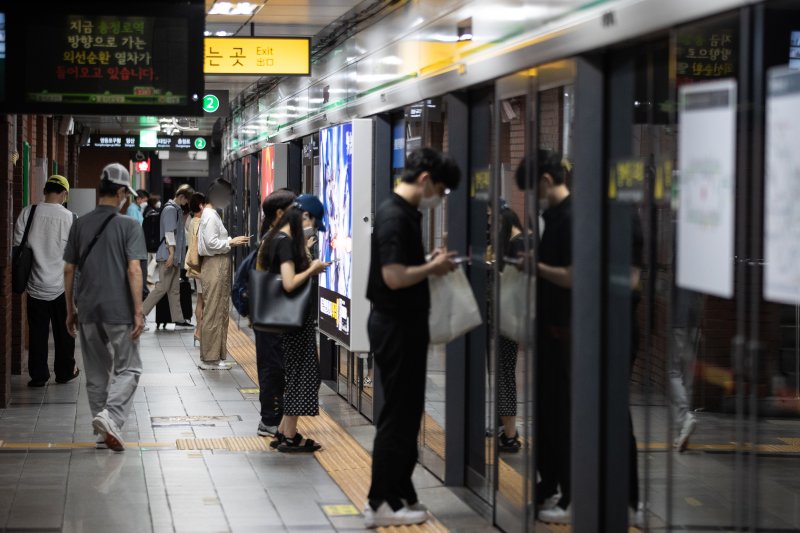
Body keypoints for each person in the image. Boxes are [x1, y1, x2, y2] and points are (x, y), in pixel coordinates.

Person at [363, 147, 460, 528]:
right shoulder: (394, 216)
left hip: (401, 325)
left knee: (405, 413)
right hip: (395, 326)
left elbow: (403, 269)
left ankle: (399, 492)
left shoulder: (401, 214)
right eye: (440, 189)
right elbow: (393, 277)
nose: (439, 197)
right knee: (397, 416)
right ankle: (380, 501)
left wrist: (427, 264)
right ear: (424, 180)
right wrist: (432, 267)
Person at [63, 163, 147, 452]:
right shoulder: (129, 225)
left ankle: (102, 432)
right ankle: (110, 417)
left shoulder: (79, 223)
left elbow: (68, 270)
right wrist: (138, 311)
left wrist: (69, 309)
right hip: (119, 311)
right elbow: (134, 270)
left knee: (96, 374)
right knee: (130, 368)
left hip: (87, 309)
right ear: (122, 192)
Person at [258, 195, 329, 452]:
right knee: (304, 376)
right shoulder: (285, 242)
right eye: (311, 223)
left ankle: (284, 431)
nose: (311, 229)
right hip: (294, 323)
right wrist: (313, 269)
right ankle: (289, 435)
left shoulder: (276, 237)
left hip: (288, 321)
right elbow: (289, 282)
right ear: (304, 216)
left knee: (300, 375)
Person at [534, 151, 574, 524]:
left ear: (546, 181)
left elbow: (572, 275)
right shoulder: (552, 217)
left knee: (563, 415)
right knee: (548, 413)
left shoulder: (571, 218)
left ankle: (571, 494)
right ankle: (549, 484)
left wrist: (535, 266)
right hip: (549, 331)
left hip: (565, 332)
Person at [13, 175, 78, 387]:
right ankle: (64, 372)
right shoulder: (71, 218)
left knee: (38, 333)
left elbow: (17, 246)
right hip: (62, 287)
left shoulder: (28, 212)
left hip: (35, 285)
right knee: (65, 332)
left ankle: (39, 375)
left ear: (45, 190)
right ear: (64, 193)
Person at [254, 189, 297, 437]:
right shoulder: (277, 240)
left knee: (272, 367)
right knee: (273, 368)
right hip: (272, 315)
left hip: (268, 314)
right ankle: (269, 420)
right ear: (280, 213)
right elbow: (286, 282)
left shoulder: (270, 237)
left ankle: (272, 418)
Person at [197, 178, 250, 369]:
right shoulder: (210, 216)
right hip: (215, 264)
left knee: (218, 310)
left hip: (216, 263)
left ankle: (216, 357)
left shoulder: (210, 214)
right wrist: (231, 242)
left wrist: (229, 240)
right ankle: (210, 358)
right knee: (214, 311)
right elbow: (211, 244)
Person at [140, 186, 194, 328]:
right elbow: (169, 233)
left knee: (174, 289)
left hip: (173, 256)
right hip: (168, 255)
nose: (186, 204)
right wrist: (171, 254)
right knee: (163, 287)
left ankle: (178, 318)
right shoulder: (171, 209)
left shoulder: (174, 209)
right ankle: (140, 313)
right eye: (186, 200)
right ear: (181, 197)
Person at [496, 202, 526, 453]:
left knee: (504, 374)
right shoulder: (522, 240)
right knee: (505, 371)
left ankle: (510, 434)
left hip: (508, 319)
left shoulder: (516, 244)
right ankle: (505, 427)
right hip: (513, 317)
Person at [185, 193, 206, 346]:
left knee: (200, 299)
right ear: (201, 205)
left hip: (194, 264)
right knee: (203, 299)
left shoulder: (192, 220)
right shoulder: (201, 222)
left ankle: (198, 331)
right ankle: (199, 331)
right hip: (201, 265)